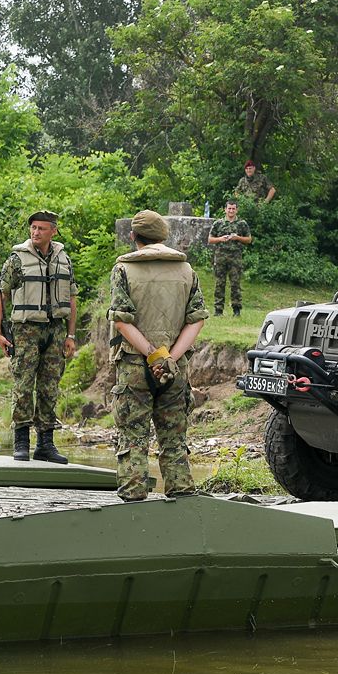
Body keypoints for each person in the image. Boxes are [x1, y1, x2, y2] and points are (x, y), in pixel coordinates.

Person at [107, 210, 208, 501]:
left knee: (133, 437)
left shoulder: (124, 270)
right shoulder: (186, 270)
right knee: (174, 439)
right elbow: (197, 319)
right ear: (164, 236)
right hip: (176, 368)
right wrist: (170, 358)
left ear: (133, 236)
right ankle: (182, 495)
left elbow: (122, 321)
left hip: (133, 366)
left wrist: (151, 354)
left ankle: (134, 498)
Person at [0, 210, 77, 464]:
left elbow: (72, 299)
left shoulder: (64, 259)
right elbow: (2, 295)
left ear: (53, 231)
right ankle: (21, 443)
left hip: (56, 330)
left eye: (41, 228)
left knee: (50, 387)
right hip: (25, 330)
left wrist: (71, 335)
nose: (35, 232)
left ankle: (45, 444)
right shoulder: (17, 259)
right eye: (33, 228)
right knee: (23, 385)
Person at [206, 199, 252, 317]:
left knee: (235, 284)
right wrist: (220, 239)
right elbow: (210, 239)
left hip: (235, 257)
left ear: (237, 210)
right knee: (219, 284)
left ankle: (236, 310)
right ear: (225, 209)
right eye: (229, 208)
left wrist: (237, 238)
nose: (231, 210)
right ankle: (218, 310)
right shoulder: (218, 223)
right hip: (220, 257)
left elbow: (248, 239)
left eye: (233, 208)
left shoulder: (242, 224)